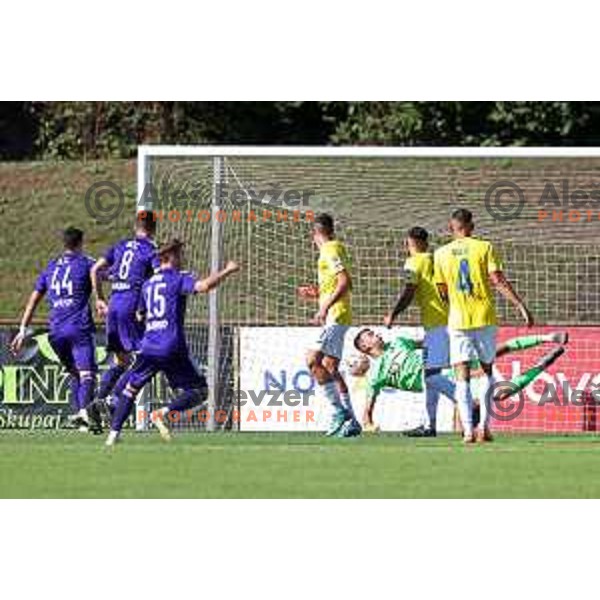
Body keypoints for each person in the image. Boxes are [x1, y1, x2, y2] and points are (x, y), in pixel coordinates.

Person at [105, 239, 239, 446]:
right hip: (171, 346)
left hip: (149, 345)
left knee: (130, 389)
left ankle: (112, 436)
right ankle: (164, 413)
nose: (182, 259)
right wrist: (228, 270)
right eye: (179, 255)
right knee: (200, 391)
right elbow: (203, 286)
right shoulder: (177, 279)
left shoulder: (148, 284)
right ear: (171, 257)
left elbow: (140, 315)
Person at [434, 208, 534, 442]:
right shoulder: (484, 247)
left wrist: (454, 305)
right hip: (484, 317)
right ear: (471, 226)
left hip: (458, 320)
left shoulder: (440, 254)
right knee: (487, 371)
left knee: (461, 375)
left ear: (452, 228)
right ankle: (484, 427)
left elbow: (441, 289)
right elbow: (497, 280)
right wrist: (520, 305)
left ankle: (468, 431)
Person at [353, 328, 567, 434]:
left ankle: (547, 338)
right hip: (438, 380)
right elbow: (367, 410)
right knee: (500, 395)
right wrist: (370, 425)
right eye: (370, 336)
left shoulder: (399, 342)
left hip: (444, 365)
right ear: (364, 347)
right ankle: (542, 366)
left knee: (495, 352)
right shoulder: (376, 375)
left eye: (373, 332)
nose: (376, 335)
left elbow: (427, 342)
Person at [11, 227, 96, 430]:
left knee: (75, 373)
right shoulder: (86, 263)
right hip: (78, 328)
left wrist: (23, 328)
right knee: (87, 374)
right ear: (80, 243)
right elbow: (108, 273)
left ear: (64, 243)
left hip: (55, 332)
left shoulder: (51, 267)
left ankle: (80, 418)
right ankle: (84, 413)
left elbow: (34, 297)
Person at [88, 211, 158, 427]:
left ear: (135, 226)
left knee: (121, 361)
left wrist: (99, 298)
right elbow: (157, 278)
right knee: (143, 359)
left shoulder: (120, 245)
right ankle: (112, 401)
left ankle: (95, 404)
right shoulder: (151, 250)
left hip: (114, 306)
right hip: (131, 308)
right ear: (154, 228)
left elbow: (95, 269)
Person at [297, 213, 360, 437]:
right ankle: (351, 421)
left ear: (315, 234)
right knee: (331, 368)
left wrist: (324, 308)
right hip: (337, 313)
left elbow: (344, 282)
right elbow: (338, 284)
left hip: (336, 315)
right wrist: (317, 294)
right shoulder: (334, 248)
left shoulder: (329, 249)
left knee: (312, 360)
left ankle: (338, 412)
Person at [384, 226, 449, 436]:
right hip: (453, 322)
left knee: (430, 375)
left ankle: (466, 401)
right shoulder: (439, 259)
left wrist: (393, 314)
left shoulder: (414, 262)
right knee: (433, 374)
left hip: (437, 325)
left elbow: (409, 292)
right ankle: (429, 425)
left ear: (410, 242)